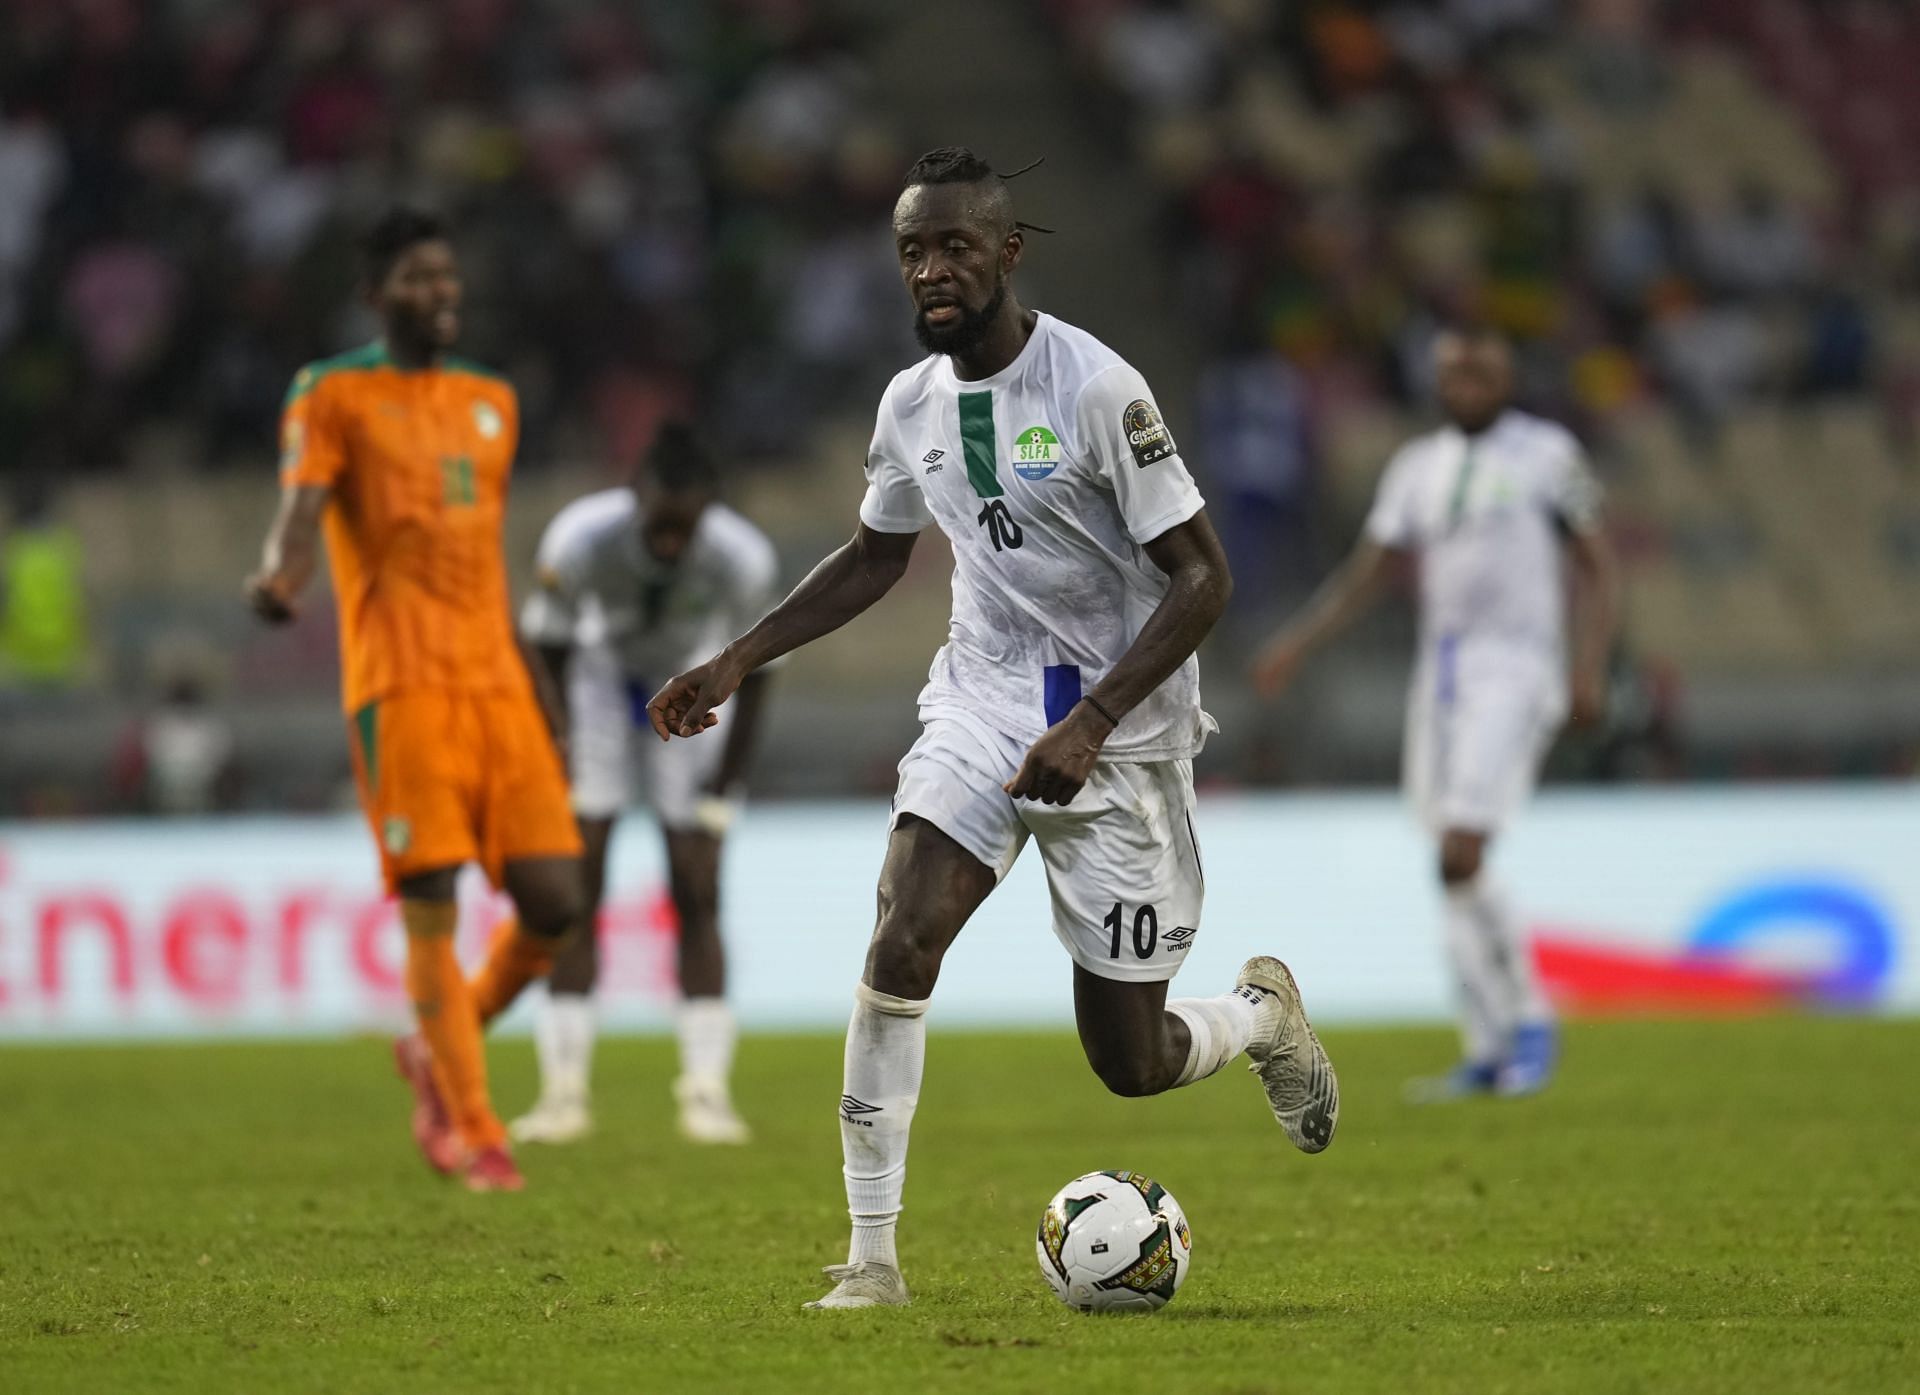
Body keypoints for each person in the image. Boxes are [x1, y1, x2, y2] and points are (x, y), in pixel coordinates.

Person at [646, 147, 1341, 1310]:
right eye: (914, 249)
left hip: (1119, 733)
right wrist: (735, 657)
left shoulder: (1097, 388)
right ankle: (872, 1261)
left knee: (1130, 1062)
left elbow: (1204, 579)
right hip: (981, 695)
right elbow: (877, 554)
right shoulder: (910, 401)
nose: (932, 269)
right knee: (900, 940)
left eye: (957, 245)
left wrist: (1099, 718)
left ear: (1009, 252)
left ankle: (1260, 1018)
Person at [244, 207, 586, 1192]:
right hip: (402, 689)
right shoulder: (331, 393)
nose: (441, 292)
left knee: (556, 902)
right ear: (374, 294)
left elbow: (483, 557)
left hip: (496, 683)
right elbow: (301, 509)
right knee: (431, 908)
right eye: (417, 278)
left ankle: (438, 1045)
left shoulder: (492, 400)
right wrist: (278, 578)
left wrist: (541, 696)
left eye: (448, 276)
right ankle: (478, 1132)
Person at [1251, 327, 1618, 1100]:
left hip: (1517, 668)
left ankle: (1531, 1017)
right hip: (1442, 677)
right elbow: (1370, 571)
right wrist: (1298, 643)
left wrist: (1589, 667)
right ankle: (1487, 1049)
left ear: (1508, 371)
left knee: (1461, 850)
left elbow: (1596, 560)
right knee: (1446, 863)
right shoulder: (1419, 467)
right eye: (1457, 370)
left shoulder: (1549, 454)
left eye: (1484, 366)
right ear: (1439, 380)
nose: (1470, 381)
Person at [513, 423, 779, 1146]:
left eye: (683, 531)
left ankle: (706, 1092)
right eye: (659, 527)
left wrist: (722, 795)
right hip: (599, 688)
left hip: (693, 689)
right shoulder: (581, 540)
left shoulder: (740, 556)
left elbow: (758, 674)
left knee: (697, 887)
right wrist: (557, 745)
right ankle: (564, 1093)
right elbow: (546, 649)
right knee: (577, 886)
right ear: (637, 497)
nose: (669, 544)